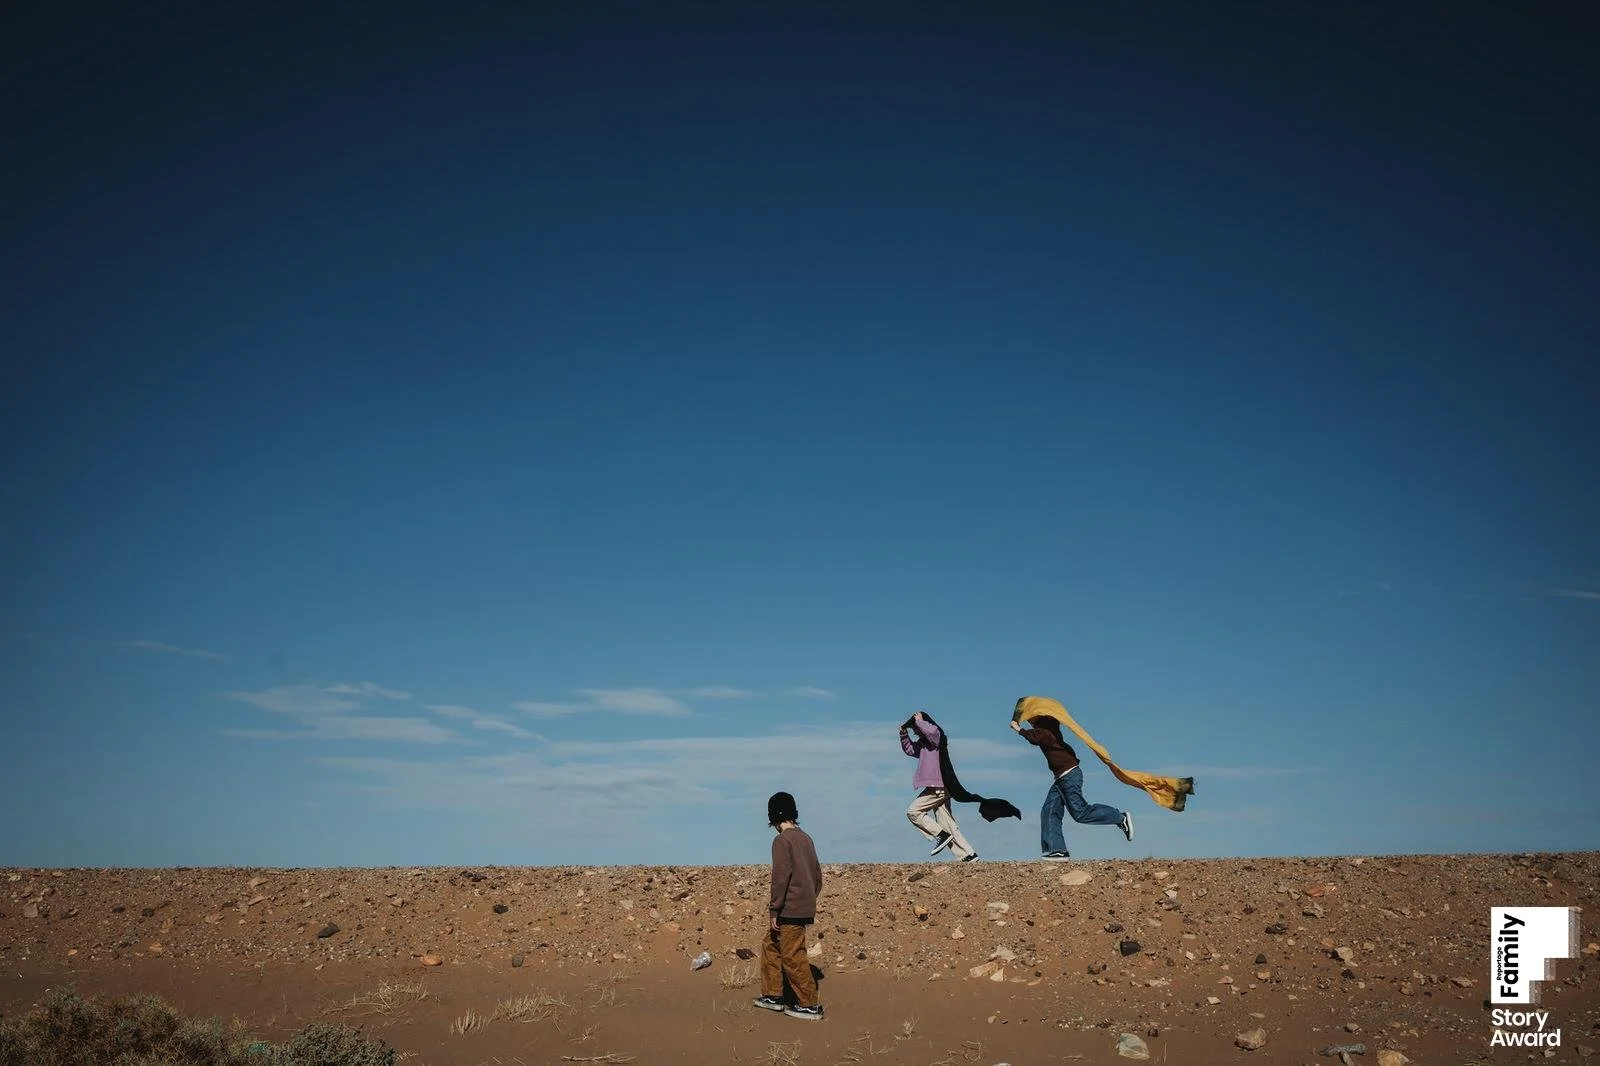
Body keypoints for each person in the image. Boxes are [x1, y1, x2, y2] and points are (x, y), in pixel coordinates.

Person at [1011, 714, 1133, 859]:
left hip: (1069, 776)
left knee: (1081, 813)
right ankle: (1058, 851)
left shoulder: (1046, 730)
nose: (1029, 721)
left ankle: (1120, 817)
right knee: (1049, 811)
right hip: (1062, 778)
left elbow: (1036, 738)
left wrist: (1019, 729)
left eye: (1031, 718)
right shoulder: (1047, 728)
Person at [752, 791, 825, 1020]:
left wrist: (775, 910)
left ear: (773, 818)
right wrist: (809, 898)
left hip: (789, 908)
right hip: (803, 905)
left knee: (792, 955)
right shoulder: (806, 838)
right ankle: (774, 995)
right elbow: (818, 876)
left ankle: (809, 1003)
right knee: (771, 944)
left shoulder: (782, 841)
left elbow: (780, 877)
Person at [901, 711, 978, 862]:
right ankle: (968, 855)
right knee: (946, 822)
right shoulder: (924, 744)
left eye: (915, 728)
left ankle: (940, 835)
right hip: (940, 786)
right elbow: (910, 749)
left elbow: (932, 732)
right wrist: (903, 734)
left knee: (913, 811)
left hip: (938, 786)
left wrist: (920, 721)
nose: (915, 731)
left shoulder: (936, 737)